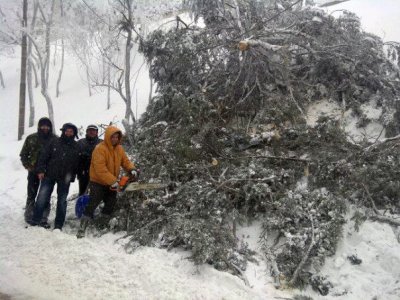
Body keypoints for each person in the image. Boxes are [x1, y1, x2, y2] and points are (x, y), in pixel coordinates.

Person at [77, 126, 138, 238]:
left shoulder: (119, 149)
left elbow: (125, 161)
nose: (114, 139)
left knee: (110, 203)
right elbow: (100, 169)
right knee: (92, 203)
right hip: (98, 182)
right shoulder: (100, 149)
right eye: (112, 137)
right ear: (108, 137)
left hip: (112, 182)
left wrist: (131, 169)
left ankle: (101, 225)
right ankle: (82, 227)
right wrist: (114, 181)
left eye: (117, 137)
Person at [29, 123, 81, 230]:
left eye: (71, 131)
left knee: (62, 201)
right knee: (42, 198)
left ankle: (58, 225)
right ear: (63, 131)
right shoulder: (54, 142)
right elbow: (44, 156)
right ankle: (35, 221)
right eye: (67, 131)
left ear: (74, 133)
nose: (69, 133)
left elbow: (77, 163)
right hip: (49, 175)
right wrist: (41, 170)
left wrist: (72, 176)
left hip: (64, 178)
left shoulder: (76, 146)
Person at [20, 117, 57, 225]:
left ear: (50, 127)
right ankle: (29, 215)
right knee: (31, 193)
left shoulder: (54, 139)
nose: (45, 128)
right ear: (39, 126)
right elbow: (23, 154)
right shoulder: (31, 138)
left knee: (46, 195)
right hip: (33, 171)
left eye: (47, 126)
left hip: (49, 173)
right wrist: (28, 166)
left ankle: (43, 217)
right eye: (43, 125)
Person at [77, 125, 102, 196]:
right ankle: (82, 206)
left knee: (96, 193)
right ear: (87, 132)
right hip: (83, 172)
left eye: (93, 130)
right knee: (83, 193)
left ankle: (93, 206)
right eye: (90, 130)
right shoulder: (80, 142)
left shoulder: (102, 143)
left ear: (97, 132)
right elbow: (75, 158)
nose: (91, 132)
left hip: (98, 172)